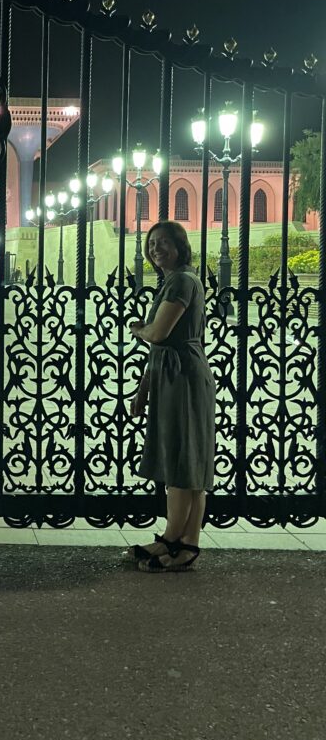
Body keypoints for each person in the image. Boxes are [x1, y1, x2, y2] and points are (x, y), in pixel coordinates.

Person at [126, 220, 216, 572]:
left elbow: (159, 334)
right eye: (152, 244)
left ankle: (170, 539)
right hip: (176, 374)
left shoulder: (180, 280)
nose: (156, 249)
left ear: (180, 246)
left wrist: (139, 329)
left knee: (181, 460)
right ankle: (188, 545)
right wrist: (144, 389)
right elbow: (161, 347)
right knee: (190, 459)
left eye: (164, 242)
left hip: (182, 378)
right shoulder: (180, 279)